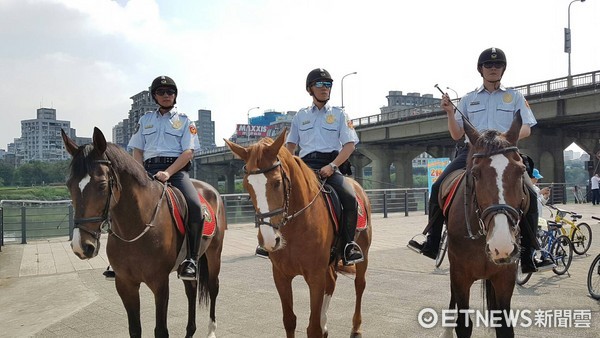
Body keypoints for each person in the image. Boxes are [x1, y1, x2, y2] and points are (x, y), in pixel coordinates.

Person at [407, 47, 553, 273]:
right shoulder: (468, 99)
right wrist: (448, 112)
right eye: (488, 65)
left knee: (531, 194)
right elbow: (457, 135)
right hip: (473, 152)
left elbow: (526, 128)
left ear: (503, 69)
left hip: (505, 152)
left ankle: (531, 252)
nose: (493, 69)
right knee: (437, 187)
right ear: (481, 69)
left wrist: (506, 138)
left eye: (497, 65)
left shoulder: (515, 97)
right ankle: (432, 242)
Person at [282, 68, 363, 266]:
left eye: (328, 85)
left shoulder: (340, 115)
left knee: (351, 199)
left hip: (330, 167)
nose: (325, 88)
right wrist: (289, 165)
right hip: (304, 166)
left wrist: (333, 166)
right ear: (310, 89)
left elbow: (350, 145)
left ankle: (348, 245)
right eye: (320, 84)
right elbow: (290, 145)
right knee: (277, 193)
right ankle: (271, 242)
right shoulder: (300, 116)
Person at [125, 75, 203, 281]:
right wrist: (139, 172)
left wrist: (168, 172)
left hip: (176, 172)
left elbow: (188, 152)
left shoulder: (185, 120)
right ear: (155, 96)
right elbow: (138, 149)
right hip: (148, 171)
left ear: (175, 96)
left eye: (170, 92)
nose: (166, 95)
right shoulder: (145, 120)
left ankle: (191, 260)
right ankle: (120, 257)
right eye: (161, 92)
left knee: (195, 207)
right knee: (122, 203)